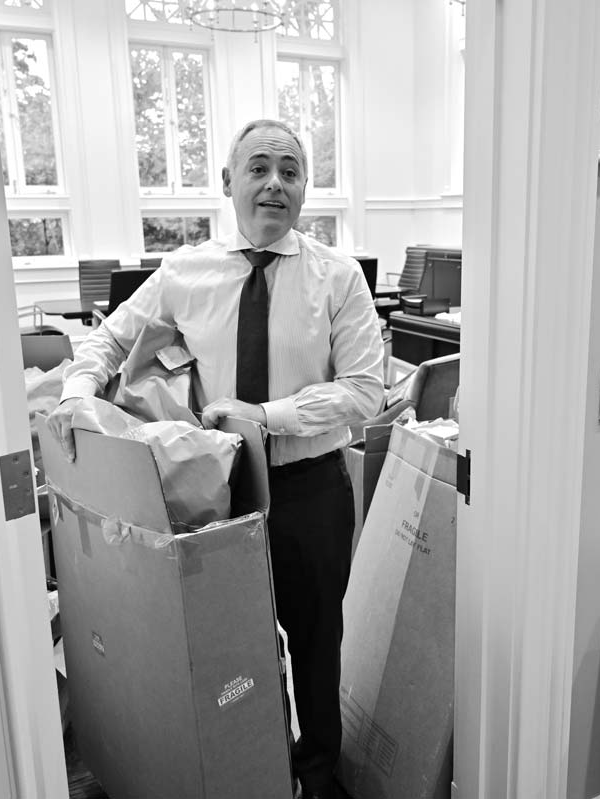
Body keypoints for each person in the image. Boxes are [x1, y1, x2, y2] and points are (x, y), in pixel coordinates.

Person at [47, 118, 385, 799]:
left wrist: (270, 416)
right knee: (235, 651)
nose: (274, 184)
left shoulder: (337, 276)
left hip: (313, 489)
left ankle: (316, 776)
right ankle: (249, 772)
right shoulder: (185, 273)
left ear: (305, 189)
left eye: (290, 171)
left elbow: (366, 390)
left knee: (318, 645)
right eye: (258, 168)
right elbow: (106, 344)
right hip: (221, 498)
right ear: (225, 181)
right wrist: (77, 398)